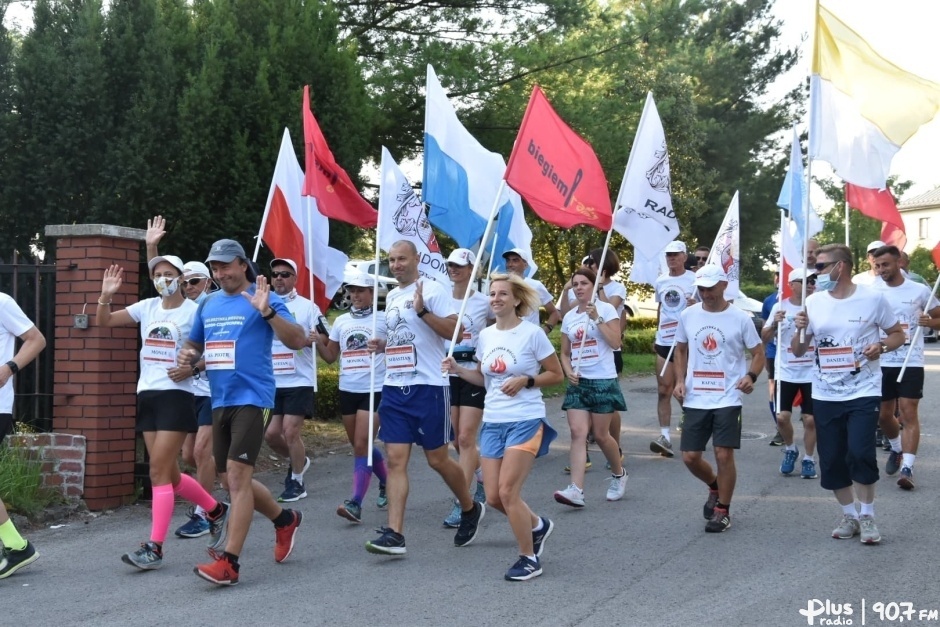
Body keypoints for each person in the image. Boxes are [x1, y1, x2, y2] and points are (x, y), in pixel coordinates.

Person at [179, 239, 307, 585]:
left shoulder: (263, 296)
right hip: (220, 399)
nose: (220, 273)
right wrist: (188, 358)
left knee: (236, 478)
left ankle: (229, 563)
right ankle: (284, 520)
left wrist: (266, 311)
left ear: (242, 265)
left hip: (254, 397)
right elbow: (194, 343)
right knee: (232, 479)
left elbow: (297, 339)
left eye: (226, 266)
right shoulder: (207, 303)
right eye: (215, 268)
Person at [98, 253, 229, 570]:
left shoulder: (195, 310)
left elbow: (218, 347)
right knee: (168, 474)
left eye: (168, 274)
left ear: (181, 278)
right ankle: (215, 510)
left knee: (157, 469)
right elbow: (104, 322)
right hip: (148, 394)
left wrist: (193, 369)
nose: (162, 279)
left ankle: (154, 547)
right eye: (157, 274)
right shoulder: (147, 307)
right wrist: (105, 296)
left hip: (177, 395)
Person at [364, 240, 484, 556]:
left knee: (437, 460)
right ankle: (394, 534)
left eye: (402, 258)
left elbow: (453, 332)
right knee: (395, 459)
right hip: (394, 387)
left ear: (417, 259)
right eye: (391, 260)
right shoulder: (390, 296)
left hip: (429, 387)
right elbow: (402, 335)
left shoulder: (433, 290)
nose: (397, 264)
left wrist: (422, 310)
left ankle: (469, 507)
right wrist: (383, 344)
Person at [443, 273, 563, 581]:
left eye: (502, 294)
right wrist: (458, 369)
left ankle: (528, 557)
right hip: (493, 422)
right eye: (492, 294)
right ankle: (538, 525)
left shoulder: (531, 333)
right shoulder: (486, 336)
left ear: (517, 300)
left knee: (508, 492)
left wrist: (528, 379)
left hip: (525, 419)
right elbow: (485, 380)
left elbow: (556, 374)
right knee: (494, 497)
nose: (495, 298)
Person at [792, 244, 904, 545]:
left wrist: (880, 347)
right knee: (831, 460)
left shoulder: (873, 299)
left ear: (841, 266)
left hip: (863, 390)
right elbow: (799, 350)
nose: (816, 273)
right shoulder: (813, 302)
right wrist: (798, 329)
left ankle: (867, 515)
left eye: (821, 266)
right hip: (826, 393)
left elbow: (898, 334)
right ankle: (849, 515)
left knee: (860, 452)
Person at [673, 264, 764, 533]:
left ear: (723, 285)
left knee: (723, 454)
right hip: (696, 396)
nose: (706, 294)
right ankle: (715, 485)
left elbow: (758, 353)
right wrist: (679, 380)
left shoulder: (740, 318)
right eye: (701, 289)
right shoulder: (688, 315)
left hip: (728, 396)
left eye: (710, 288)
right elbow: (680, 349)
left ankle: (723, 510)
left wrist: (751, 376)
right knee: (690, 457)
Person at [553, 267, 627, 507]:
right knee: (577, 433)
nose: (579, 288)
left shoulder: (605, 310)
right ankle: (576, 490)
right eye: (575, 284)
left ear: (594, 286)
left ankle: (619, 474)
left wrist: (597, 319)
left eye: (584, 283)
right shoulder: (570, 316)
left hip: (603, 380)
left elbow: (616, 342)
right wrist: (568, 371)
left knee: (602, 435)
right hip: (579, 382)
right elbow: (564, 353)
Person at [320, 273, 389, 522]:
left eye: (361, 290)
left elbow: (396, 347)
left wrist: (383, 344)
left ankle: (355, 503)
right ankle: (387, 482)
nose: (356, 295)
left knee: (361, 445)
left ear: (372, 292)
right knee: (361, 446)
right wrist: (318, 341)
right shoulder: (341, 321)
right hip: (348, 388)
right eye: (352, 291)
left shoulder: (383, 319)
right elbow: (330, 357)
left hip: (375, 387)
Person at [872, 245, 940, 490]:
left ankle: (908, 468)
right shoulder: (871, 291)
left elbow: (939, 319)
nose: (881, 270)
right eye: (877, 266)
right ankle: (897, 448)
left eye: (886, 265)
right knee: (883, 415)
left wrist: (929, 321)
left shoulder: (920, 290)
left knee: (909, 412)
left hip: (910, 359)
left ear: (899, 262)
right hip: (881, 360)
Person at [263, 258, 327, 503]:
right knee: (271, 435)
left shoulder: (308, 307)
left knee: (290, 432)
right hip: (272, 380)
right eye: (276, 274)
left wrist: (316, 339)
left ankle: (297, 482)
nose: (279, 278)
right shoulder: (263, 303)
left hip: (299, 379)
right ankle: (299, 461)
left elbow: (325, 339)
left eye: (285, 274)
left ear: (295, 279)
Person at [441, 248, 491, 528]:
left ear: (473, 269)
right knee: (455, 440)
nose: (454, 269)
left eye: (460, 265)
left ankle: (463, 503)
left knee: (466, 437)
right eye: (451, 265)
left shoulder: (484, 302)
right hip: (447, 372)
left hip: (473, 373)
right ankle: (481, 473)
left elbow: (500, 325)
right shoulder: (442, 298)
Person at [0, 292, 46, 579]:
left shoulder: (2, 302)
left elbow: (36, 339)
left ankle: (18, 546)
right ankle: (17, 545)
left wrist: (9, 367)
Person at [174, 261, 218, 538]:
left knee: (201, 452)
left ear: (208, 283)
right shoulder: (182, 310)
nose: (189, 287)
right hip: (191, 391)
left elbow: (218, 349)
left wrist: (193, 367)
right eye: (185, 282)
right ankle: (218, 501)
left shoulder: (214, 307)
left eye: (195, 281)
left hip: (215, 391)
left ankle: (204, 514)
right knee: (189, 455)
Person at [762, 268, 818, 478]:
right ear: (792, 284)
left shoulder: (819, 306)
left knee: (810, 420)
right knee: (782, 417)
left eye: (813, 280)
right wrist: (775, 323)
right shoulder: (780, 306)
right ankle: (791, 449)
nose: (811, 284)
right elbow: (764, 337)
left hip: (812, 371)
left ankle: (809, 459)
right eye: (805, 281)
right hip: (786, 371)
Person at [650, 240, 696, 457]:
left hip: (686, 344)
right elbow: (661, 307)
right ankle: (665, 437)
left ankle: (696, 425)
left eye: (676, 255)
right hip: (664, 341)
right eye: (669, 255)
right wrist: (657, 332)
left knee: (685, 390)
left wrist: (695, 305)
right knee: (663, 390)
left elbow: (706, 307)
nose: (672, 258)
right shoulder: (661, 281)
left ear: (684, 257)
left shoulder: (694, 280)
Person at [502, 248, 561, 334]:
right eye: (508, 261)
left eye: (515, 260)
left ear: (525, 265)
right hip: (506, 337)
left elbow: (554, 313)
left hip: (529, 339)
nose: (510, 264)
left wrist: (544, 332)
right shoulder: (499, 285)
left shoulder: (535, 285)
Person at [762, 272, 784, 446]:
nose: (778, 278)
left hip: (799, 354)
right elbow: (765, 330)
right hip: (773, 350)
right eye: (777, 274)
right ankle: (780, 428)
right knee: (774, 388)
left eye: (782, 275)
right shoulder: (769, 301)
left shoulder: (808, 299)